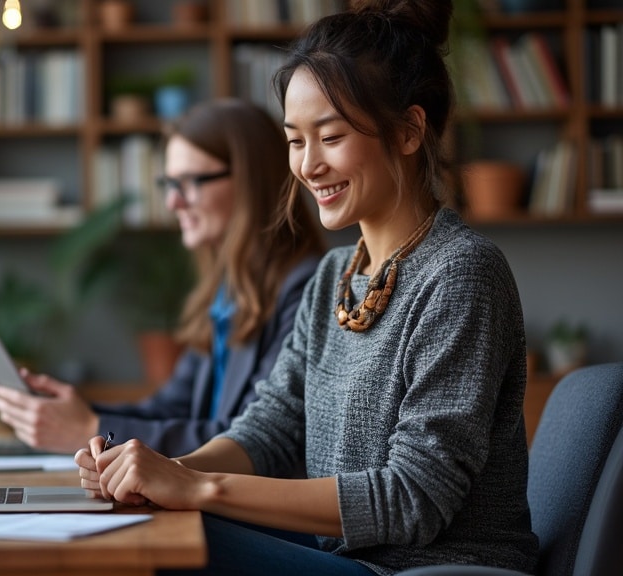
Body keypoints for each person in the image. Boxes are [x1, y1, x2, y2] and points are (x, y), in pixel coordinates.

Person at [76, 1, 539, 574]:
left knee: (154, 551)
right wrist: (160, 473)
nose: (308, 165)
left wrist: (197, 488)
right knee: (148, 525)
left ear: (409, 131)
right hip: (352, 560)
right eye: (296, 141)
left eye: (331, 136)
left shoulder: (462, 274)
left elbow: (412, 499)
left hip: (431, 567)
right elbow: (271, 429)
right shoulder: (333, 278)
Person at [0, 99, 325, 457]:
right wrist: (69, 411)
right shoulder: (227, 292)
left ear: (252, 180)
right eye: (169, 183)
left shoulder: (305, 290)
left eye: (190, 182)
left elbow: (249, 442)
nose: (173, 202)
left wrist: (90, 430)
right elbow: (170, 409)